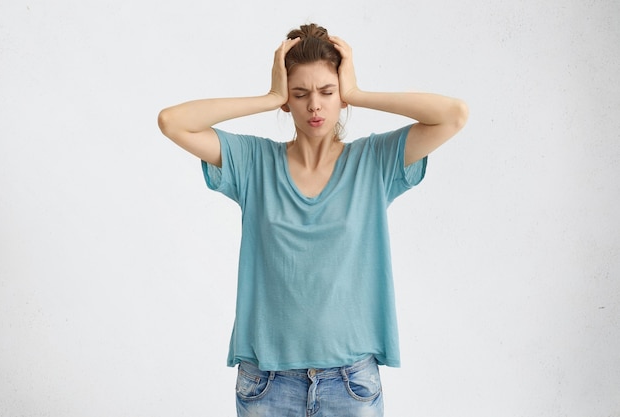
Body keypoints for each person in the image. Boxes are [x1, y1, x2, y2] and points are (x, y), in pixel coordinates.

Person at [158, 23, 467, 417]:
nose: (315, 106)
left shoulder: (373, 162)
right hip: (266, 383)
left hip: (351, 383)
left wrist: (359, 93)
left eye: (327, 92)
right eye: (300, 94)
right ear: (288, 100)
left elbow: (454, 115)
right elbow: (172, 121)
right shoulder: (253, 162)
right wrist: (268, 96)